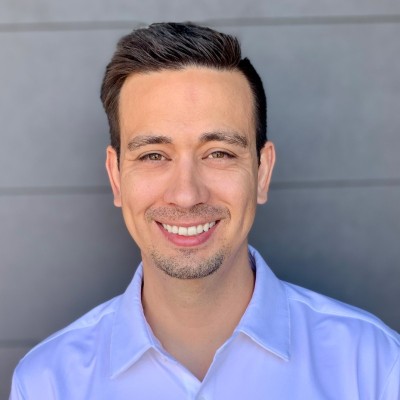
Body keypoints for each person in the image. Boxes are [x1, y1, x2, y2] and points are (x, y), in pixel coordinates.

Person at [10, 22, 399, 399]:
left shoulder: (374, 367)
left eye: (219, 153)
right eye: (153, 155)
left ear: (262, 173)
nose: (186, 195)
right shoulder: (48, 384)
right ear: (116, 177)